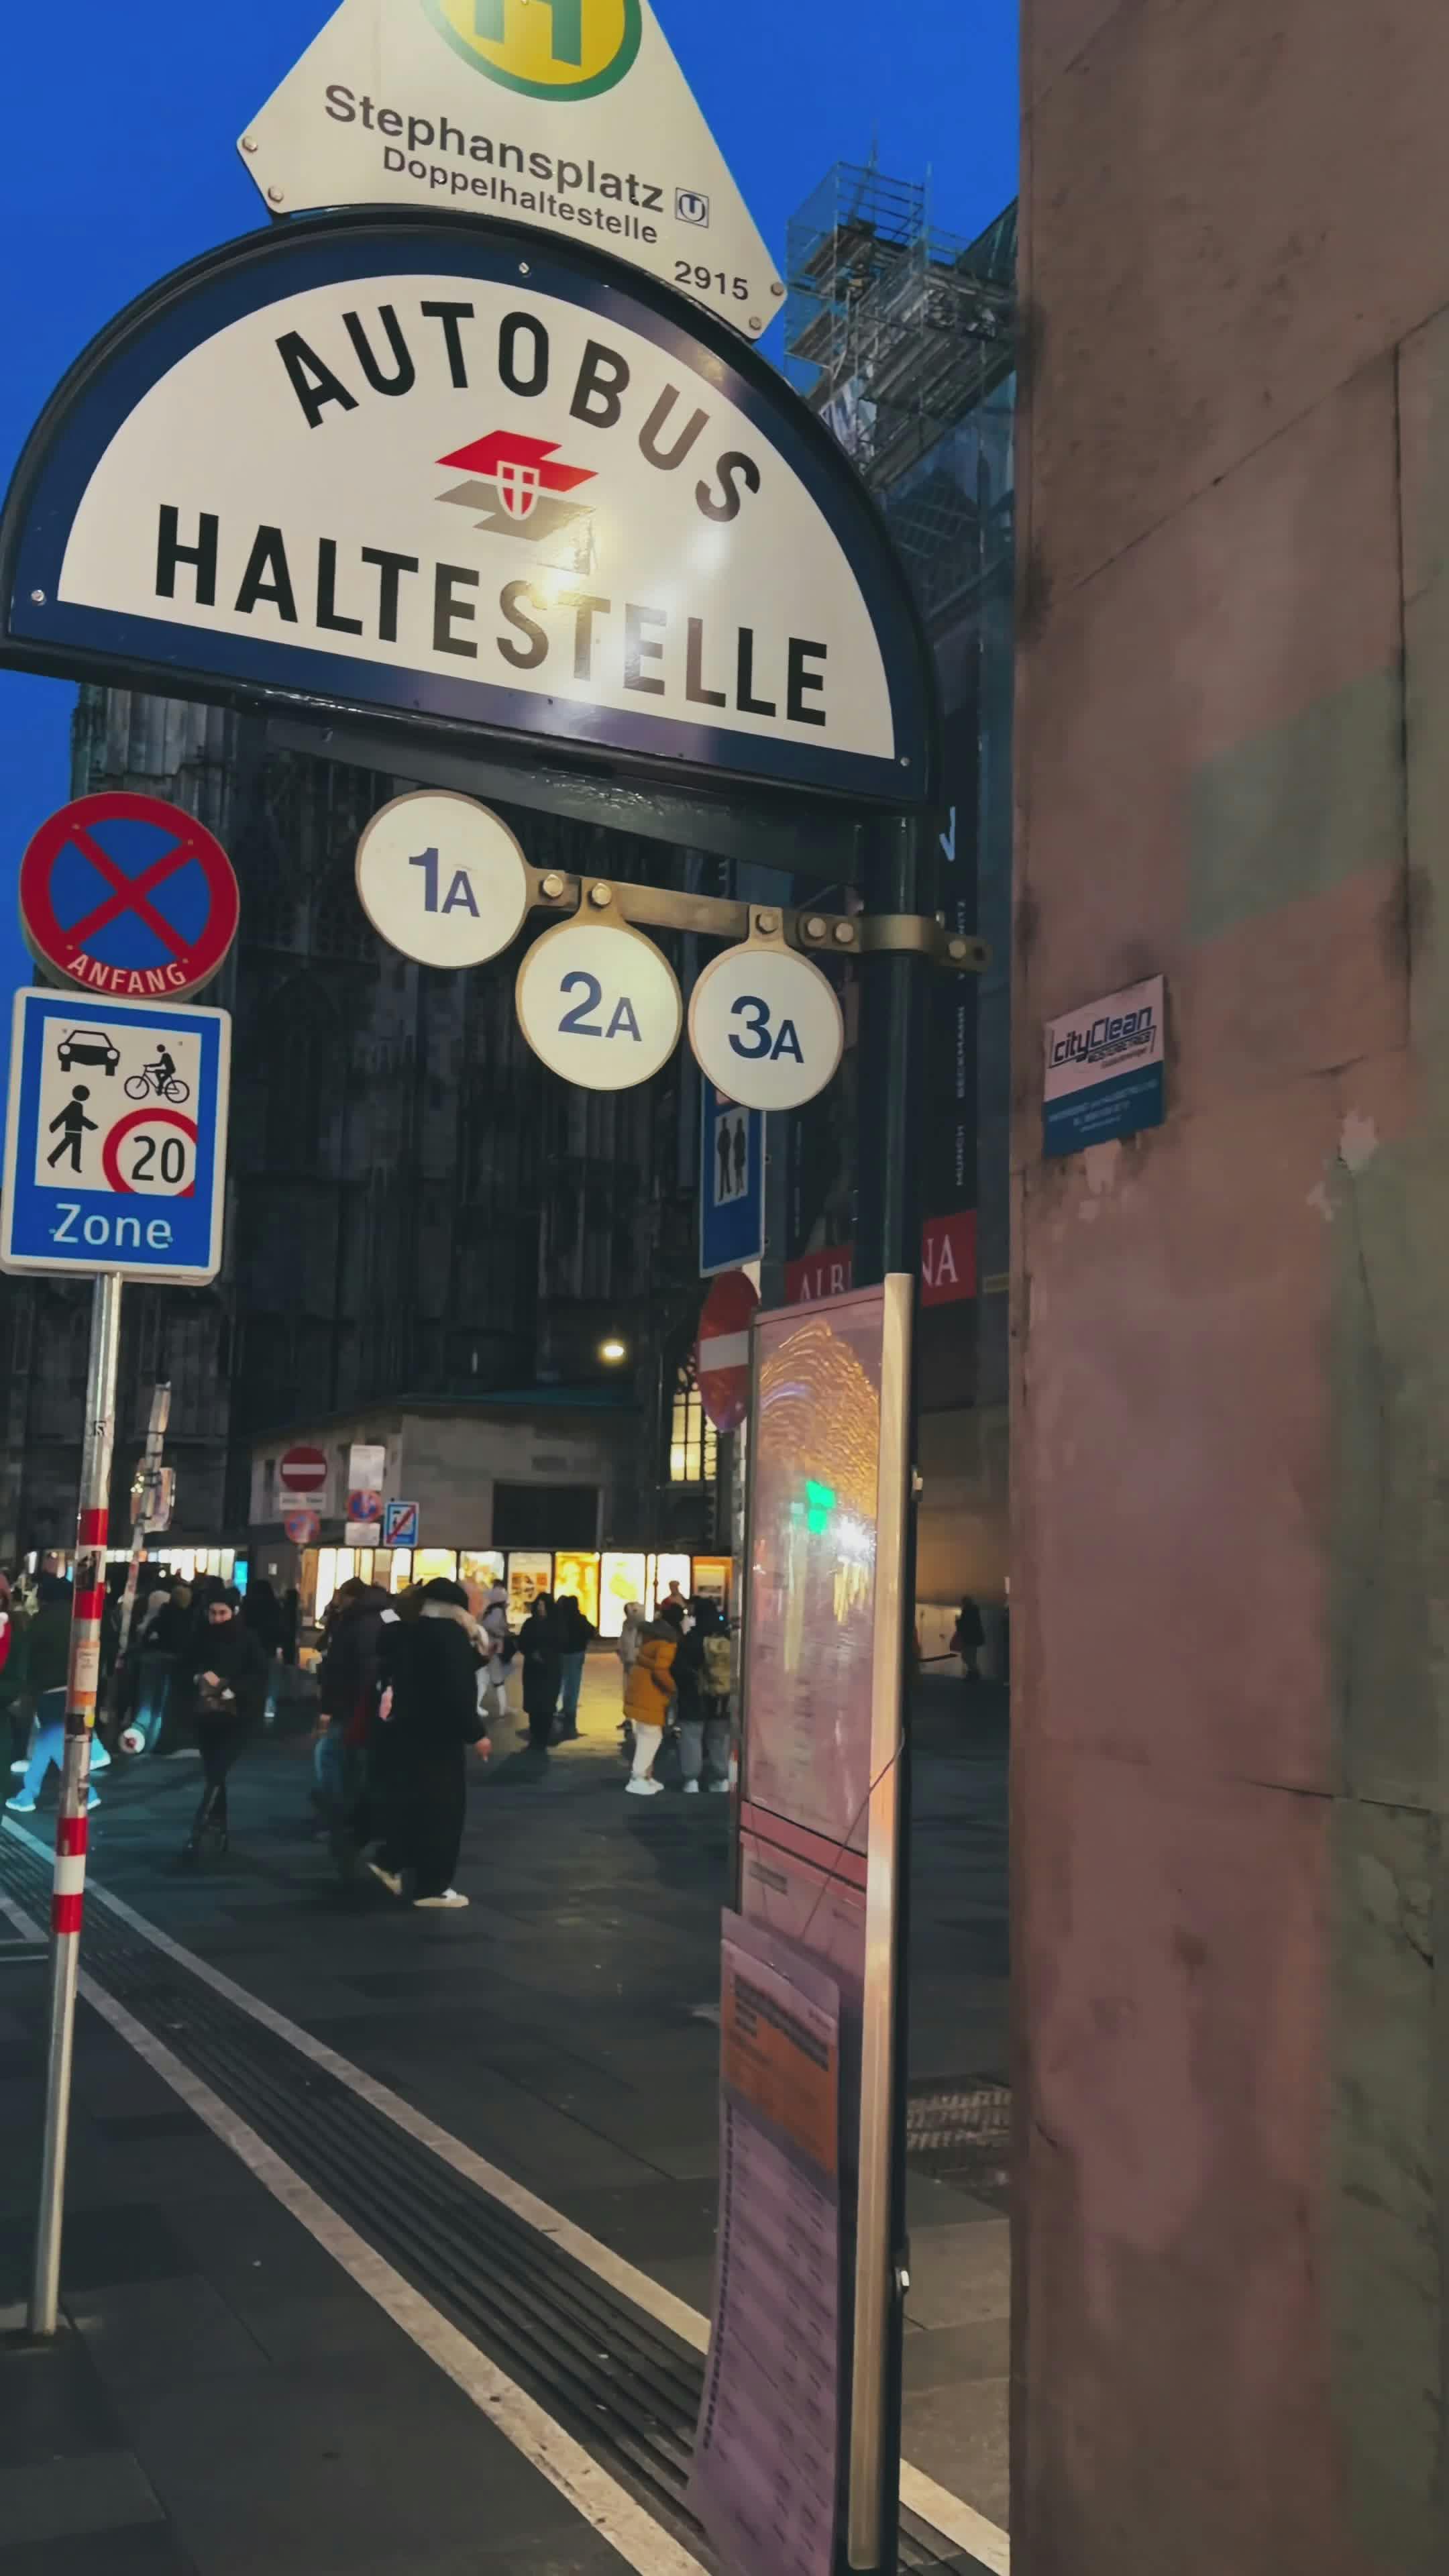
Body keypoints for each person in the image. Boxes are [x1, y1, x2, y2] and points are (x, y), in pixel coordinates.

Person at [368, 1577, 490, 1909]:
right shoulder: (450, 1636)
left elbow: (431, 1672)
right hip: (440, 1735)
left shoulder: (413, 1631)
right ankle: (432, 1886)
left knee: (416, 1803)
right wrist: (476, 1733)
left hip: (410, 1729)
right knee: (443, 1811)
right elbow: (456, 1688)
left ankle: (392, 1860)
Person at [5, 1575, 111, 1813]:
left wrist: (26, 1689)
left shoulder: (41, 1621)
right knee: (49, 1743)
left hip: (50, 1689)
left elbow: (29, 1658)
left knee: (52, 1741)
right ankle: (28, 1795)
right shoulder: (80, 1617)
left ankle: (84, 1793)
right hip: (78, 1687)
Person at [178, 1589, 268, 1860]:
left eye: (222, 1613)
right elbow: (184, 1665)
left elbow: (258, 1674)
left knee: (218, 1769)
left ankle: (199, 1829)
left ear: (234, 1612)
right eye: (213, 1613)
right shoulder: (199, 1636)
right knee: (213, 1772)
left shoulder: (247, 1639)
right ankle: (219, 1828)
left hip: (238, 1716)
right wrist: (198, 1678)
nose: (217, 1618)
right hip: (207, 1715)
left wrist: (231, 1688)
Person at [315, 1576, 389, 1851]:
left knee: (331, 1758)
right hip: (375, 1703)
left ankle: (341, 1820)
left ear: (351, 1597)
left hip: (351, 1704)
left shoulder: (352, 1621)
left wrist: (328, 1708)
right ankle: (362, 1821)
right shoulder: (388, 1615)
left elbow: (339, 1668)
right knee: (359, 1762)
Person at [623, 1599, 682, 1796]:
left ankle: (644, 1776)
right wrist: (674, 1688)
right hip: (652, 1696)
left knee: (645, 1734)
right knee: (651, 1736)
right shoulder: (667, 1645)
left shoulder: (650, 1642)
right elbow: (660, 1671)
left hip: (640, 1692)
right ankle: (638, 1777)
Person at [674, 1598, 731, 1794]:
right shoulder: (726, 1639)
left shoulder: (693, 1639)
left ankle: (692, 1781)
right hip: (721, 1698)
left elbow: (678, 1669)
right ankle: (722, 1779)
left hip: (694, 1698)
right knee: (719, 1739)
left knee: (691, 1737)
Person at [517, 1590, 561, 1753]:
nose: (541, 1608)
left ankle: (543, 1734)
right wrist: (532, 1652)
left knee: (547, 1703)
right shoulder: (530, 1624)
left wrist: (545, 1654)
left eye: (543, 1605)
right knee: (534, 1702)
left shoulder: (555, 1625)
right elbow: (522, 1643)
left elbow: (560, 1643)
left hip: (550, 1669)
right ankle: (535, 1732)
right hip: (533, 1670)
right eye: (539, 1605)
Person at [551, 1591, 596, 1741]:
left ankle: (558, 1707)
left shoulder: (561, 1619)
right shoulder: (580, 1619)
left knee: (560, 1681)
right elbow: (591, 1631)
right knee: (574, 1683)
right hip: (577, 1653)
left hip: (562, 1653)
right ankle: (569, 1708)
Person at [478, 1585, 514, 1733]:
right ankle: (503, 1708)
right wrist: (501, 1633)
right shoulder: (498, 1611)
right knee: (497, 1679)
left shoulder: (490, 1610)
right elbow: (490, 1626)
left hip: (488, 1648)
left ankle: (499, 1706)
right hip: (494, 1649)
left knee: (484, 1679)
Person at [951, 1595, 985, 1686]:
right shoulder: (974, 1611)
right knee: (971, 1657)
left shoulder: (967, 1611)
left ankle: (974, 1675)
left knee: (967, 1657)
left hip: (969, 1639)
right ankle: (974, 1675)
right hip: (974, 1638)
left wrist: (957, 1621)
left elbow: (963, 1626)